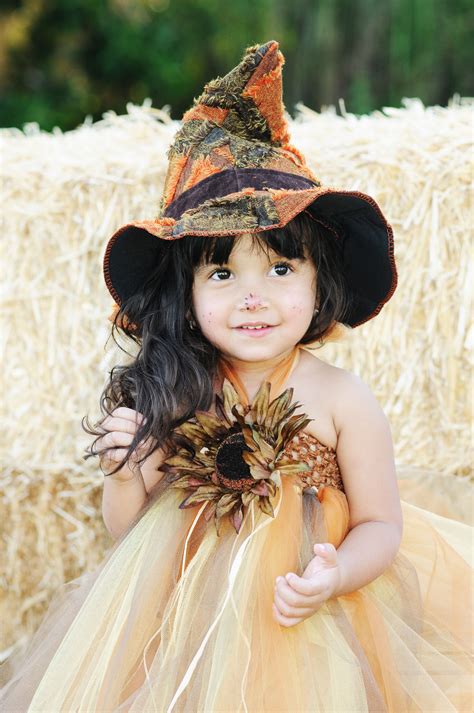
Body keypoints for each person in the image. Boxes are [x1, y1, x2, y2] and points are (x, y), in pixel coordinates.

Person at [0, 40, 471, 713]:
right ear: (186, 293)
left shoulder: (340, 397)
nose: (254, 297)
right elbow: (131, 533)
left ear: (319, 282)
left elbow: (380, 523)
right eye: (223, 273)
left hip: (311, 624)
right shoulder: (182, 389)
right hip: (186, 627)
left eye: (280, 269)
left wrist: (337, 571)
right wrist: (123, 472)